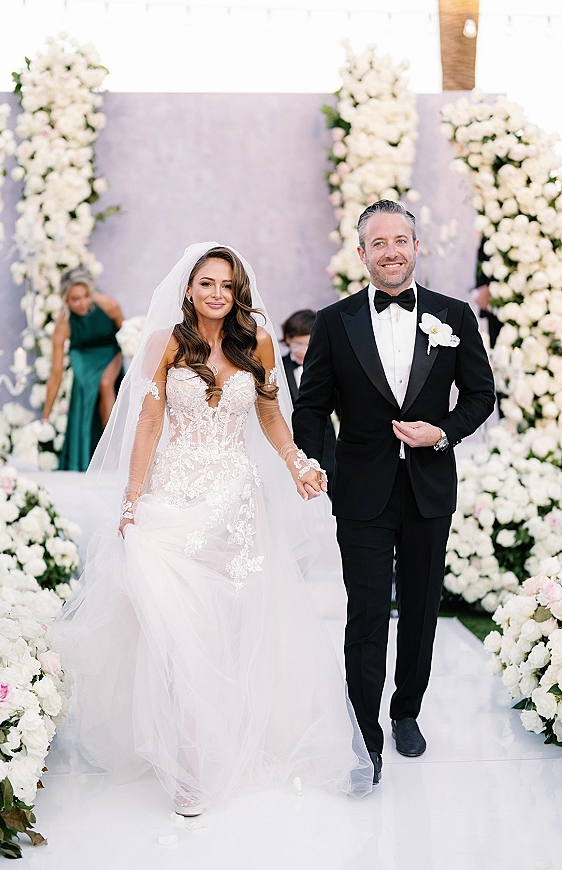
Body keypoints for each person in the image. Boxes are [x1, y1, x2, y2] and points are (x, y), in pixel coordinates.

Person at [52, 243, 373, 817]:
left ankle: (234, 735)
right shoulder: (165, 342)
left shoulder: (259, 342)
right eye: (206, 284)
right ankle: (190, 761)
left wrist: (298, 463)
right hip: (174, 500)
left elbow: (272, 416)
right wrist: (131, 499)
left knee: (230, 625)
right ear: (188, 289)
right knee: (174, 626)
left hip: (240, 506)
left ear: (237, 290)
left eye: (226, 285)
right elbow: (149, 420)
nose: (216, 294)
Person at [293, 200, 495, 784]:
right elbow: (312, 407)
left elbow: (480, 397)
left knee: (422, 610)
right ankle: (365, 733)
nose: (391, 251)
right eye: (378, 243)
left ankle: (406, 710)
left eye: (400, 240)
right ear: (362, 254)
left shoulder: (454, 315)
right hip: (360, 495)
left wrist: (444, 434)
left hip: (429, 489)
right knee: (366, 615)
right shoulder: (334, 322)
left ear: (415, 246)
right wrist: (317, 462)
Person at [42, 268, 124, 471]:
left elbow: (127, 337)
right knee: (86, 387)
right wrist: (45, 416)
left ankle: (112, 452)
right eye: (75, 299)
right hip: (84, 358)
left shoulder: (109, 305)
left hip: (111, 352)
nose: (83, 303)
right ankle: (87, 454)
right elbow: (56, 374)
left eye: (87, 296)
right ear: (65, 300)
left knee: (106, 385)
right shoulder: (64, 324)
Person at [282, 310, 337, 497]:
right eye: (298, 344)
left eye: (309, 344)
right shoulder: (278, 368)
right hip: (288, 448)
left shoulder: (329, 367)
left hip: (326, 450)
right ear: (288, 339)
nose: (304, 351)